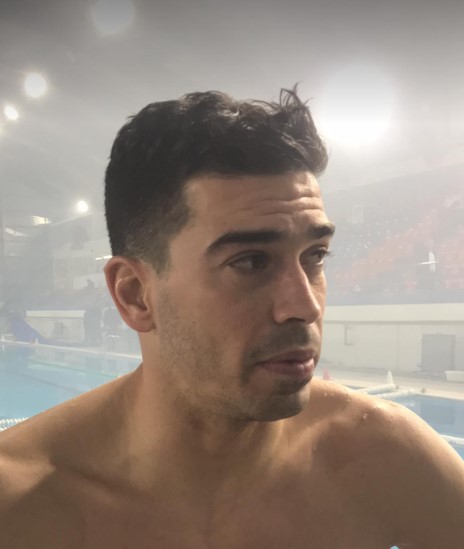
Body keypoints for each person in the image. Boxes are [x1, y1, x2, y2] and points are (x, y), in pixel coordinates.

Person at [0, 87, 463, 548]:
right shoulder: (20, 506)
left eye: (315, 256)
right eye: (250, 262)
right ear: (135, 295)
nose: (306, 306)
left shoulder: (384, 458)